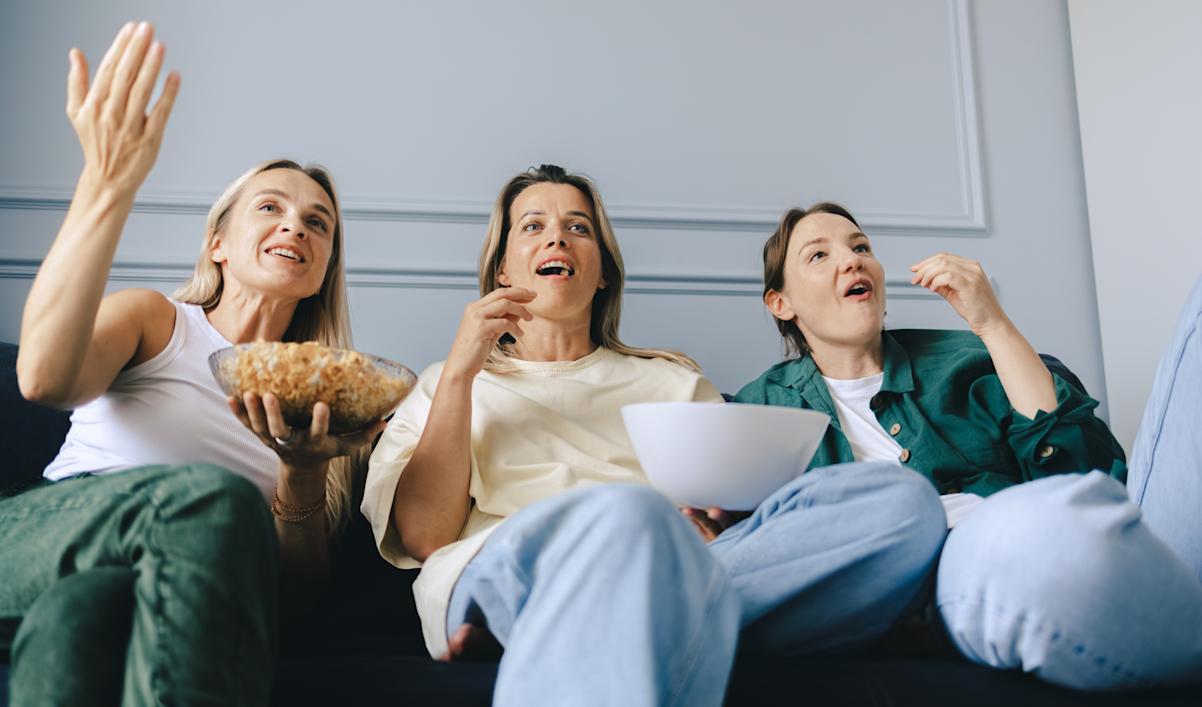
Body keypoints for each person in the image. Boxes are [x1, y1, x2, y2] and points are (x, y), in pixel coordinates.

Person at [362, 165, 948, 706]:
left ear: (603, 272)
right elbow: (424, 537)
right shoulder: (447, 383)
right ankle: (596, 609)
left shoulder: (673, 381)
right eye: (533, 226)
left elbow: (727, 528)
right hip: (504, 563)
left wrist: (718, 526)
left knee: (899, 501)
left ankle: (565, 628)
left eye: (578, 228)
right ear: (503, 271)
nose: (557, 238)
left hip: (673, 570)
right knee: (628, 515)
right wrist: (463, 370)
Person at [2, 22, 381, 705]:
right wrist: (107, 183)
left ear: (324, 268)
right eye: (271, 207)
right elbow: (44, 378)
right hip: (39, 532)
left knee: (80, 617)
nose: (296, 225)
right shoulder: (156, 321)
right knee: (217, 497)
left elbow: (292, 604)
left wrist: (300, 473)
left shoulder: (334, 405)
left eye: (318, 222)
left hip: (157, 591)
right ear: (218, 244)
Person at [735, 201, 1202, 689]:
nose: (852, 260)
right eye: (818, 256)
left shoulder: (970, 359)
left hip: (1088, 528)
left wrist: (993, 325)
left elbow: (1094, 477)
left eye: (860, 247)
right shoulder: (762, 408)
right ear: (780, 303)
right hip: (951, 575)